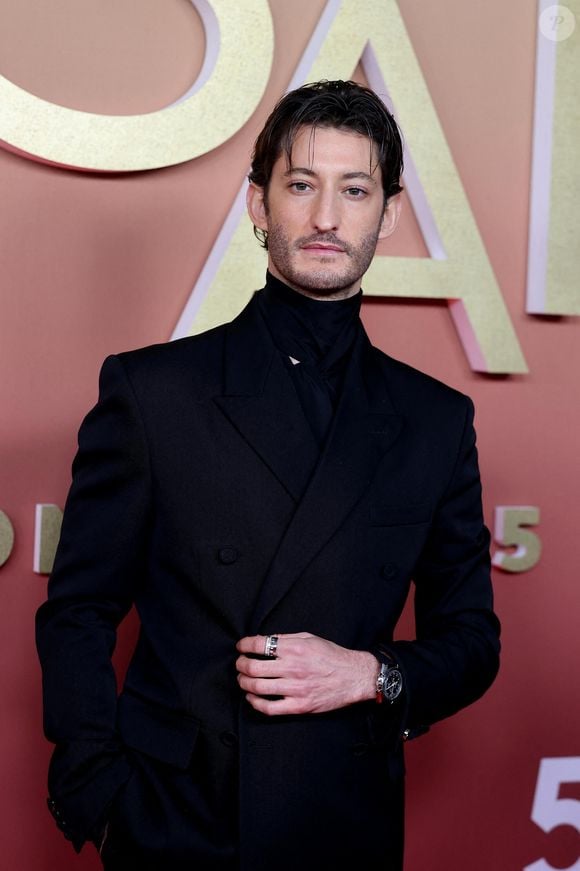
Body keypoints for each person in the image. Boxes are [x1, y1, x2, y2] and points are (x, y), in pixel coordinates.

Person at [36, 79, 500, 870]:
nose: (326, 217)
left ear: (387, 214)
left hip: (344, 826)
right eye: (300, 186)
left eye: (355, 190)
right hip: (176, 823)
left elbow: (472, 641)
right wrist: (103, 797)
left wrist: (371, 672)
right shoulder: (154, 392)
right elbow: (78, 610)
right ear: (258, 204)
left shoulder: (435, 419)